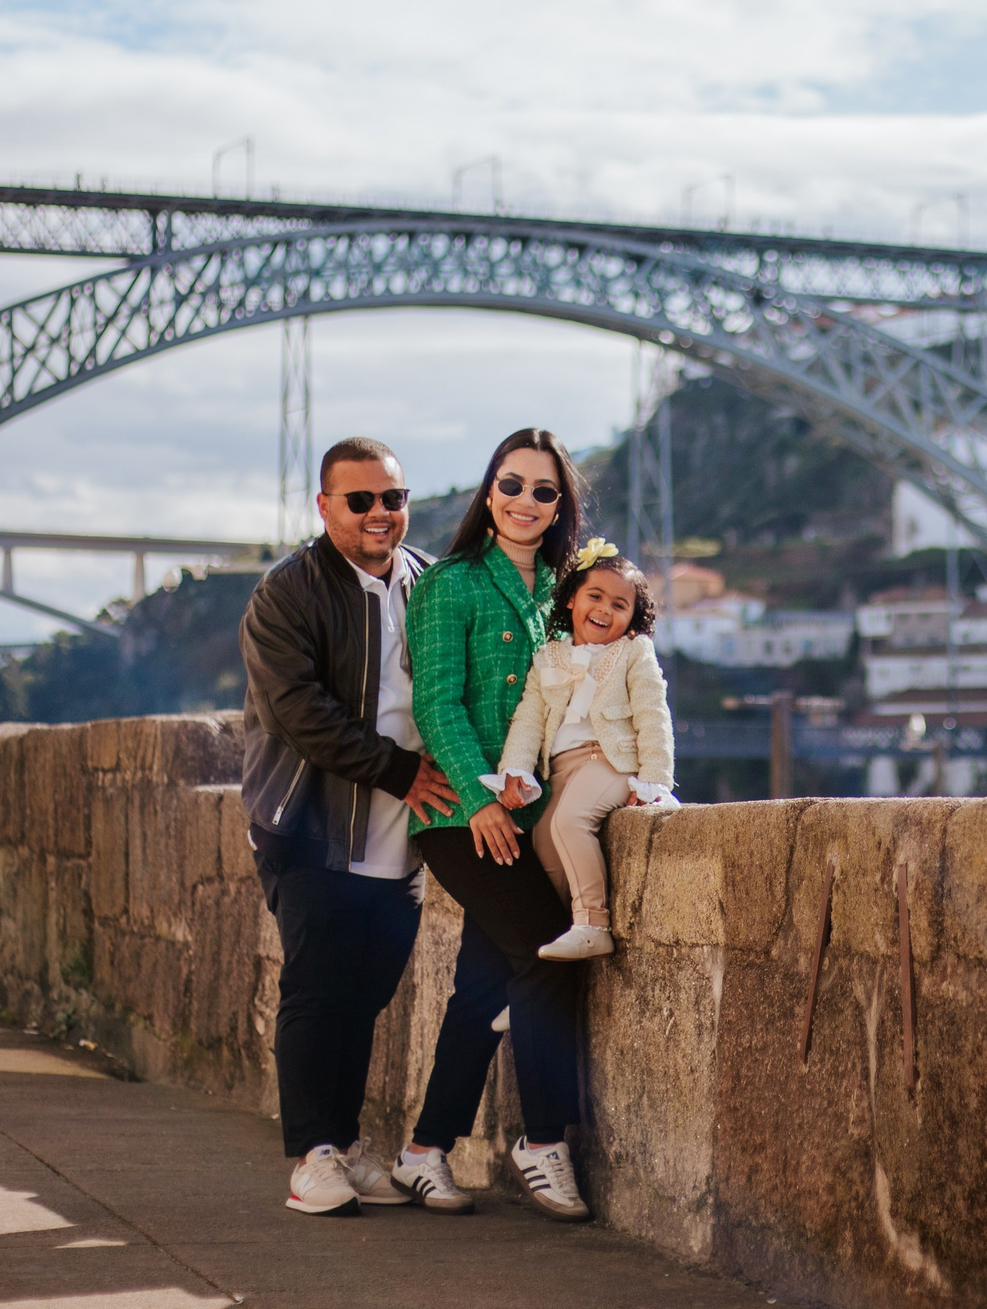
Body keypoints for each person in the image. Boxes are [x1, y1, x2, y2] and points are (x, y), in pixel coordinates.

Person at [238, 436, 477, 1217]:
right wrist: (405, 772)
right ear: (325, 506)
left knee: (366, 994)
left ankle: (342, 1142)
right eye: (361, 500)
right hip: (312, 823)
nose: (382, 514)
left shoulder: (431, 584)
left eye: (394, 498)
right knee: (315, 990)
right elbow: (302, 714)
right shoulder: (287, 593)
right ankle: (311, 1157)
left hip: (402, 835)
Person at [402, 427, 598, 1222]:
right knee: (554, 947)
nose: (525, 501)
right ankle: (541, 1137)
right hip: (460, 812)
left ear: (560, 508)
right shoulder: (451, 583)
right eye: (511, 485)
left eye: (543, 491)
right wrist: (478, 800)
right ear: (489, 492)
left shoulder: (566, 591)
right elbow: (436, 702)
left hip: (534, 813)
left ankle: (423, 1150)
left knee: (485, 984)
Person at [487, 539, 676, 961]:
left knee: (571, 823)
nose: (605, 609)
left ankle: (593, 923)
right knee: (545, 851)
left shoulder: (632, 653)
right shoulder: (548, 656)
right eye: (595, 596)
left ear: (633, 618)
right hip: (561, 769)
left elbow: (652, 714)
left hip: (609, 761)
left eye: (620, 605)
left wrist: (653, 781)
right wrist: (515, 769)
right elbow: (529, 719)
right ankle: (534, 979)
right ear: (572, 598)